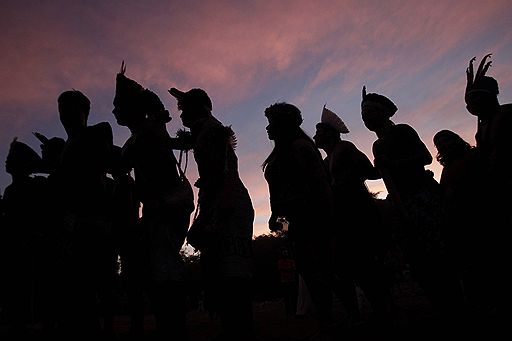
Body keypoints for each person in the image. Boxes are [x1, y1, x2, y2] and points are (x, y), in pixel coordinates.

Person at [361, 87, 464, 325]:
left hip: (422, 196)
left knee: (439, 251)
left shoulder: (403, 131)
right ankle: (441, 304)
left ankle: (456, 303)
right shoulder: (377, 146)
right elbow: (386, 177)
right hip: (402, 202)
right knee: (419, 258)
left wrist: (394, 163)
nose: (367, 119)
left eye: (370, 112)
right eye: (364, 116)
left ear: (384, 113)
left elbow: (425, 158)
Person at [113, 64, 192, 340]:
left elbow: (125, 160)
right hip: (160, 206)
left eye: (117, 105)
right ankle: (170, 326)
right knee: (159, 268)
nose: (113, 111)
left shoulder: (145, 134)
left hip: (164, 206)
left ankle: (173, 328)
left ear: (130, 108)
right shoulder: (147, 130)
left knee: (163, 269)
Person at [169, 86, 254, 340]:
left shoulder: (211, 132)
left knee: (231, 271)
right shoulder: (205, 132)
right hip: (222, 200)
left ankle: (239, 329)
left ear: (201, 109)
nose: (181, 115)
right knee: (225, 270)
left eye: (185, 109)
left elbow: (223, 174)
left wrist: (211, 215)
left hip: (227, 202)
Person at [313, 106, 392, 328]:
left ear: (329, 134)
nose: (315, 136)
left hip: (357, 210)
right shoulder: (327, 160)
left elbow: (370, 172)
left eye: (319, 133)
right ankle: (366, 311)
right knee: (351, 265)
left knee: (365, 263)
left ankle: (381, 310)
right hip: (341, 215)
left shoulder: (345, 148)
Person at [262, 102, 335, 328]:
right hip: (293, 220)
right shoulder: (282, 152)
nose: (267, 128)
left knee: (318, 267)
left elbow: (318, 186)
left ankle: (331, 319)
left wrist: (319, 218)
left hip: (309, 217)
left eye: (271, 123)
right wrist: (279, 221)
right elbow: (280, 197)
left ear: (282, 125)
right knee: (306, 267)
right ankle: (326, 319)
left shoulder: (301, 147)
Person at [49, 89, 115, 337]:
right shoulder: (66, 147)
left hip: (93, 220)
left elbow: (101, 160)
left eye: (69, 108)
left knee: (95, 284)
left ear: (83, 111)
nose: (64, 115)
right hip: (72, 223)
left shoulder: (98, 131)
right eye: (61, 110)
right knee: (77, 288)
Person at [463, 54, 512, 325]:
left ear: (490, 97)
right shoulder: (483, 128)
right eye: (469, 103)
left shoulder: (507, 115)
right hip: (496, 193)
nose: (472, 107)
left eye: (476, 101)